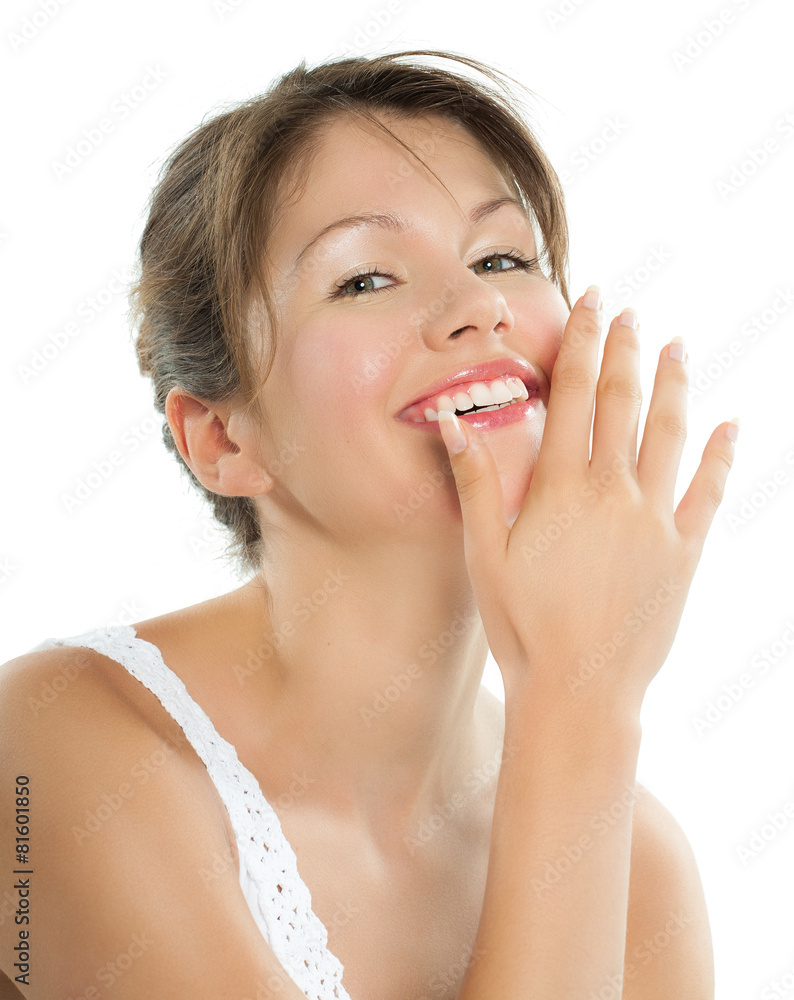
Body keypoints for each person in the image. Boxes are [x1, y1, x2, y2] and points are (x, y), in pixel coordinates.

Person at [0, 49, 737, 999]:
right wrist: (578, 695)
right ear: (222, 439)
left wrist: (582, 705)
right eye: (365, 280)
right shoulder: (51, 745)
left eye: (502, 258)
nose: (479, 307)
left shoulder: (643, 872)